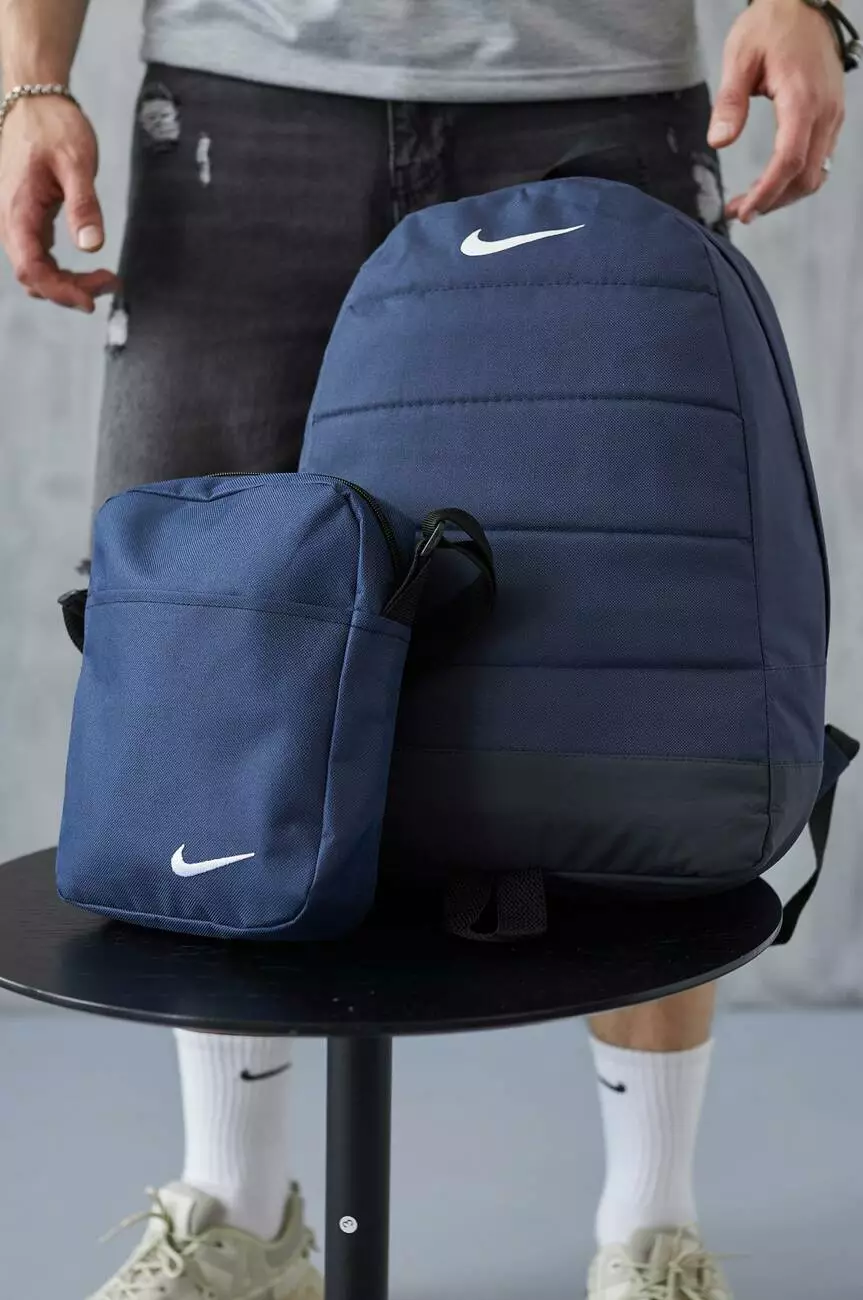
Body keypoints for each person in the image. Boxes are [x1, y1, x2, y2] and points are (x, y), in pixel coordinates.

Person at [0, 1, 849, 1297]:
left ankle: (648, 1228)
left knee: (642, 653)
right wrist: (29, 81)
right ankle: (236, 1211)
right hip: (250, 91)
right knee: (212, 646)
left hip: (596, 79)